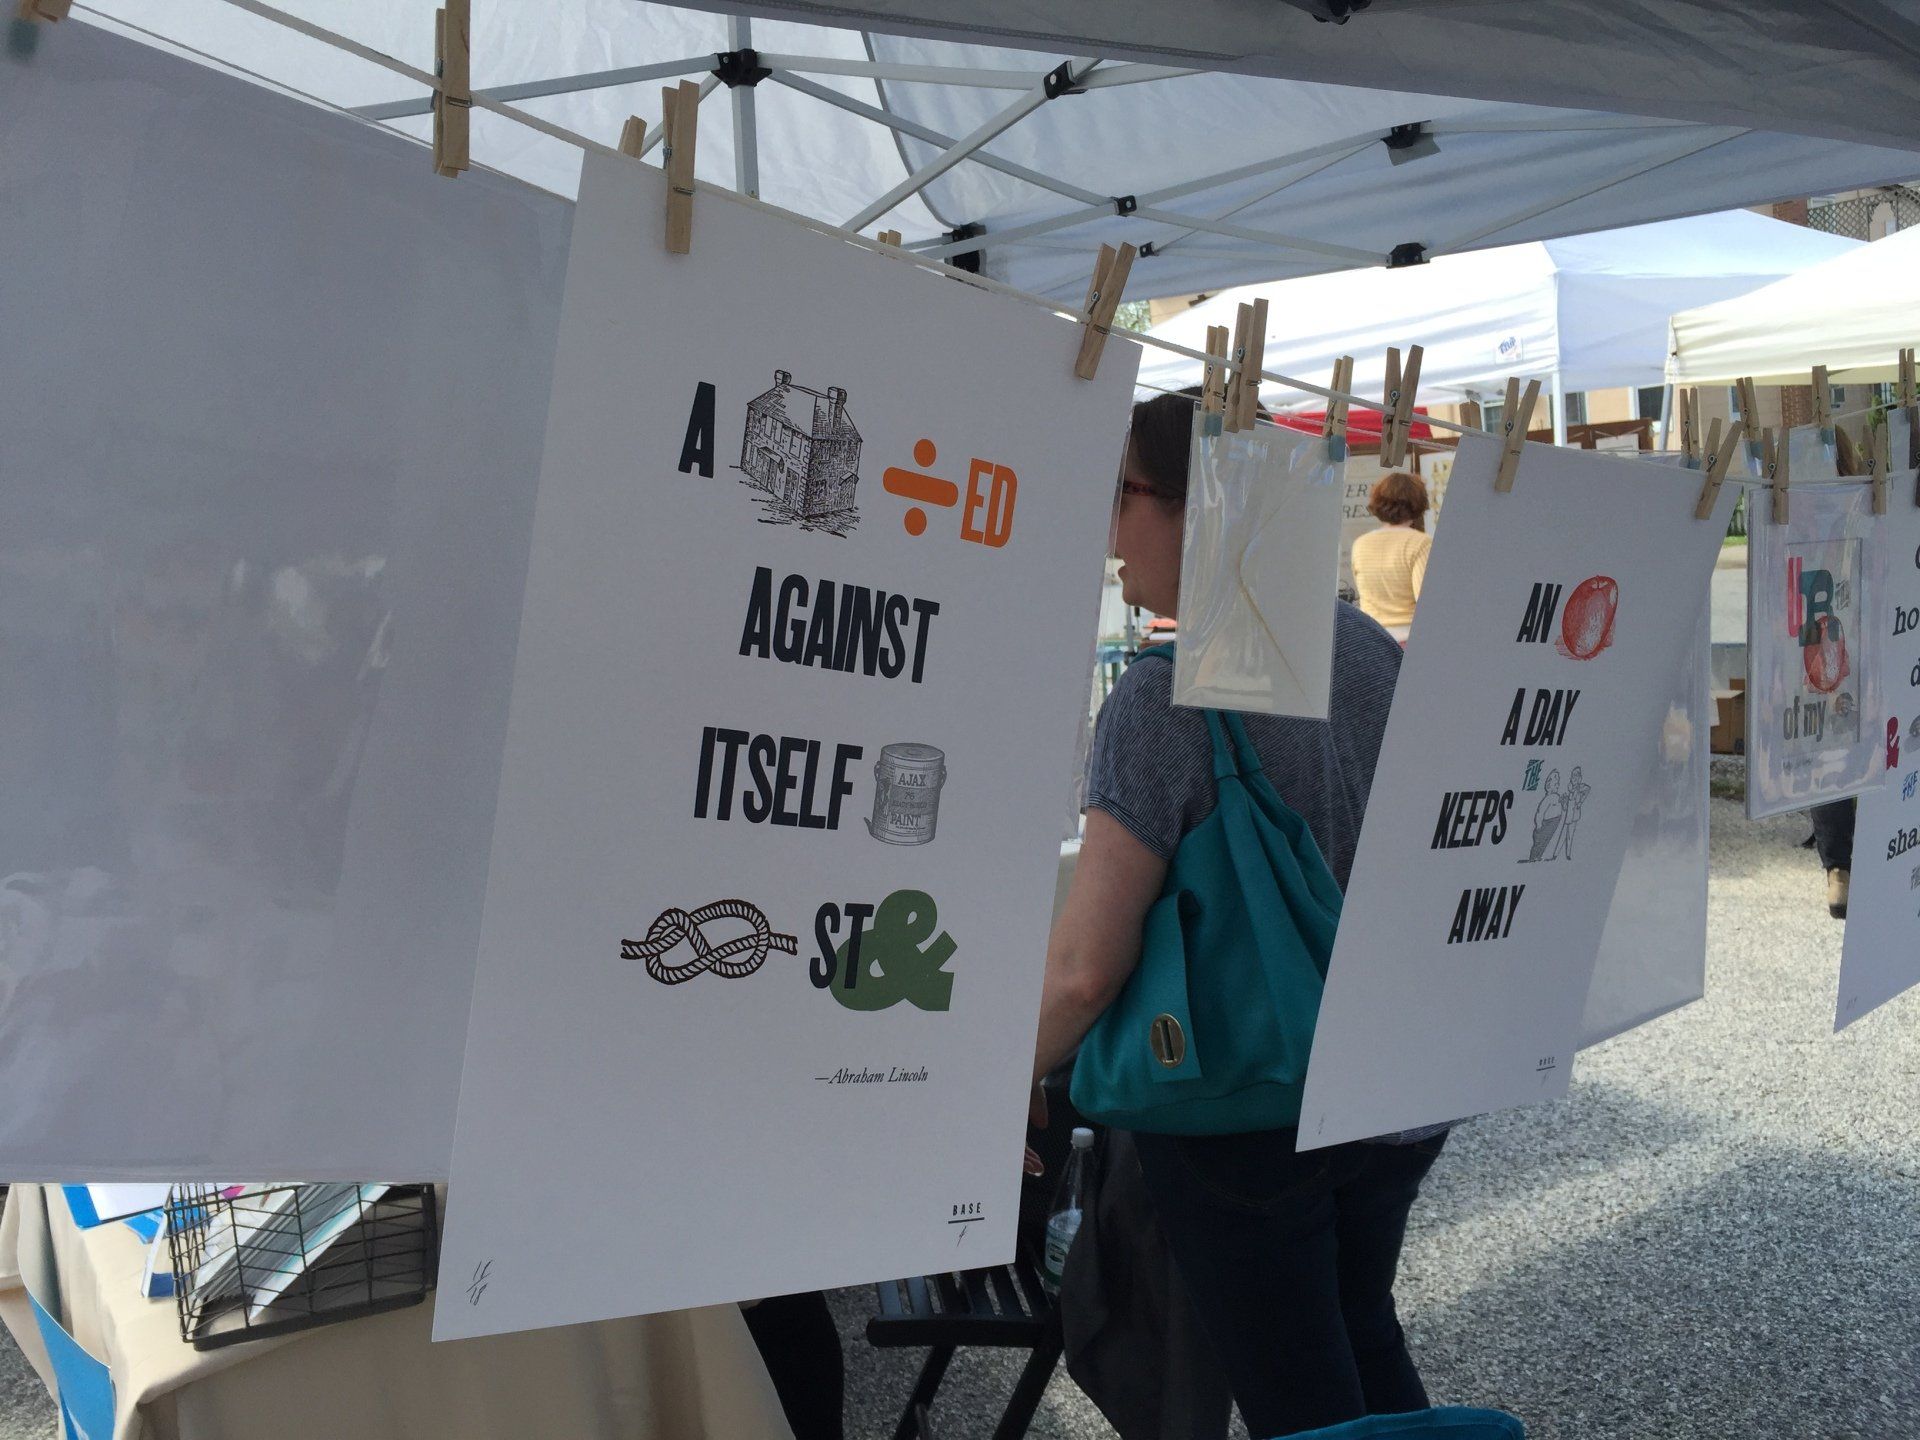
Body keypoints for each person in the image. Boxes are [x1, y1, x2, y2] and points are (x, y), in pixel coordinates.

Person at [1028, 393, 1448, 1439]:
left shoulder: (1163, 696)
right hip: (1389, 1075)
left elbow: (1086, 967)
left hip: (1247, 1097)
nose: (1105, 531)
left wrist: (993, 1085)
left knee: (1298, 1393)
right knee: (1359, 1330)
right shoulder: (1365, 647)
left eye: (1119, 496)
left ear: (1201, 508)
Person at [1348, 471, 1432, 643]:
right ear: (1419, 503)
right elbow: (1426, 601)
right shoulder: (1421, 544)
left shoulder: (1360, 544)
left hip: (1371, 639)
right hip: (1408, 641)